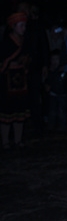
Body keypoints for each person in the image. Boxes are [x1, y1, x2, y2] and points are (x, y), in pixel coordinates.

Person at [0, 12, 30, 150]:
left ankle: (18, 140)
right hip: (7, 82)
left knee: (20, 110)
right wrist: (10, 64)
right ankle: (5, 141)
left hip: (20, 81)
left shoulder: (25, 41)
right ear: (13, 26)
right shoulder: (6, 42)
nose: (24, 28)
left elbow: (29, 58)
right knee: (7, 112)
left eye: (24, 25)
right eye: (21, 25)